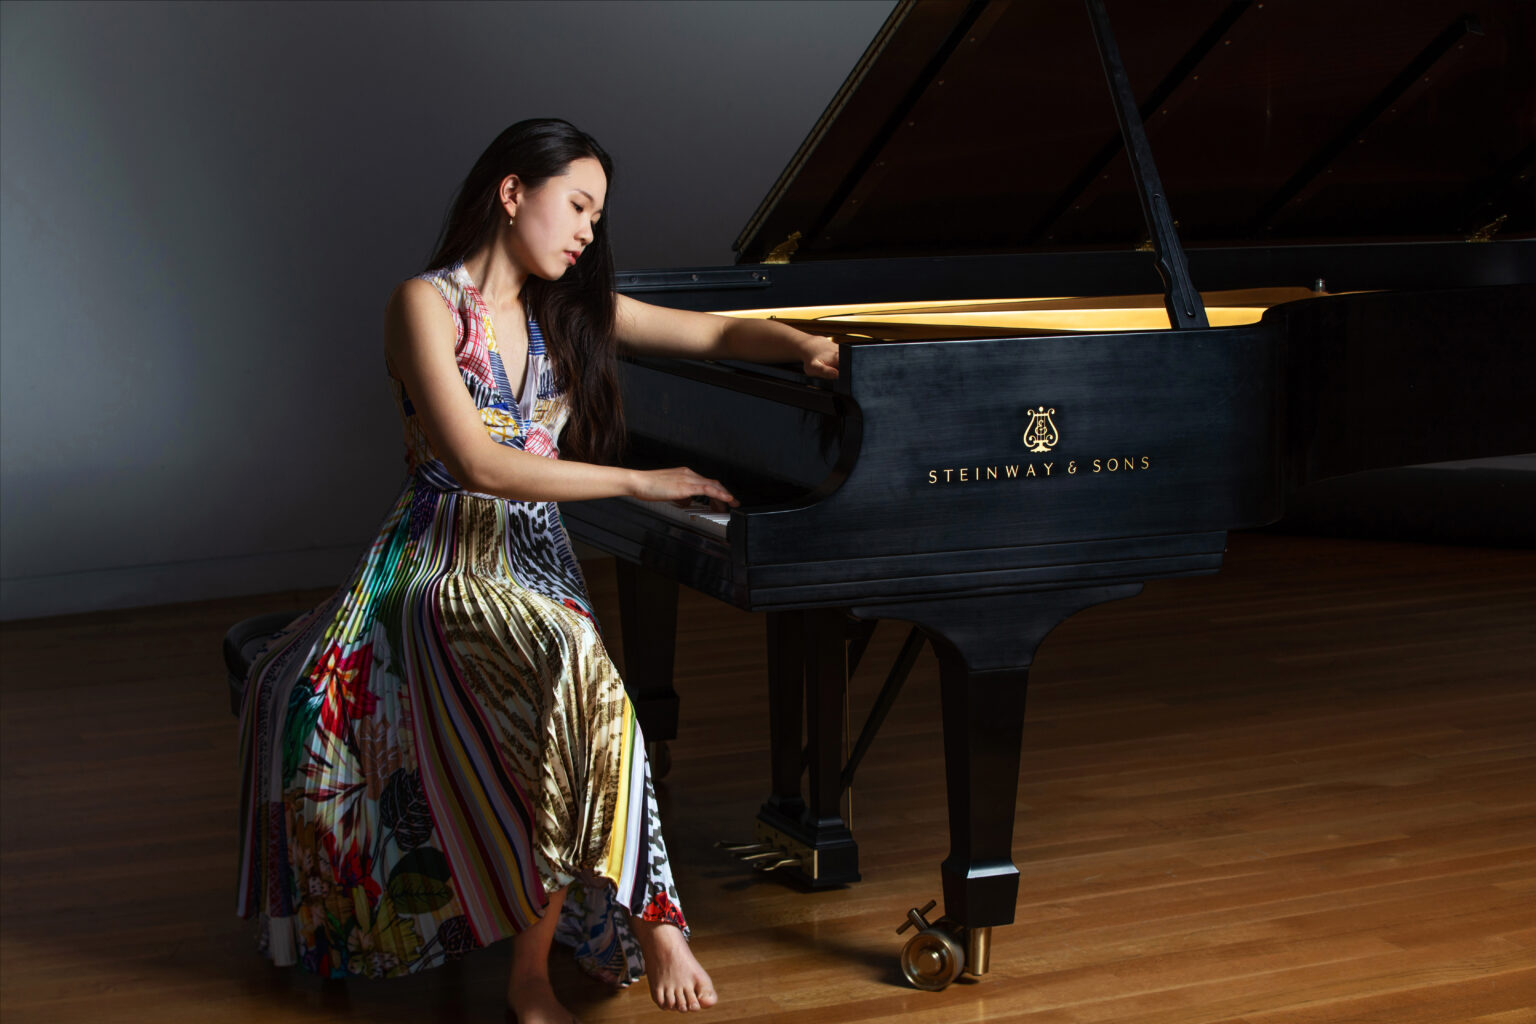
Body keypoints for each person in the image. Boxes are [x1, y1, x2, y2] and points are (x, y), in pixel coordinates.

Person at [235, 119, 837, 1023]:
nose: (589, 230)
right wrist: (639, 479)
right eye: (578, 205)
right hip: (440, 563)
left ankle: (555, 959)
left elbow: (708, 336)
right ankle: (641, 927)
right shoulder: (425, 305)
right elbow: (477, 465)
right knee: (576, 664)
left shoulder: (571, 308)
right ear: (513, 193)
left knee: (579, 688)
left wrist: (799, 345)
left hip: (538, 560)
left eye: (598, 214)